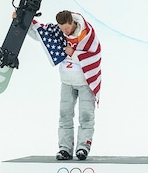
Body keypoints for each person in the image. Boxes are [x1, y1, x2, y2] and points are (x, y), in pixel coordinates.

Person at [28, 10, 102, 161]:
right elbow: (40, 34)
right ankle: (64, 148)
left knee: (86, 116)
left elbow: (94, 54)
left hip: (85, 81)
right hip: (66, 81)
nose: (65, 32)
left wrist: (73, 53)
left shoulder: (87, 34)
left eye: (67, 29)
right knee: (64, 115)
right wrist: (23, 20)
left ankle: (83, 146)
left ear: (72, 22)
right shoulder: (59, 32)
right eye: (62, 29)